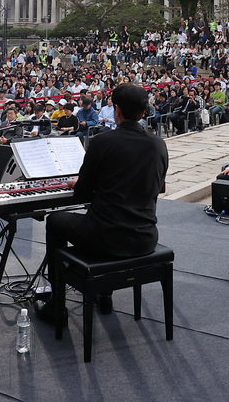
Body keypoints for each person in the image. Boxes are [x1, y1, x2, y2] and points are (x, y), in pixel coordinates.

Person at [42, 84, 168, 317]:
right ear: (143, 112)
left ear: (116, 109)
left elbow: (82, 195)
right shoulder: (158, 144)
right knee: (106, 216)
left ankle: (56, 305)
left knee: (55, 220)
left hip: (105, 238)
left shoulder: (103, 142)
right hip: (145, 237)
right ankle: (103, 294)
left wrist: (79, 182)